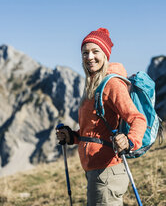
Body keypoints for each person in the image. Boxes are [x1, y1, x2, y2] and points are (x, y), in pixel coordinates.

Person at [56, 28, 146, 206]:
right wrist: (72, 136)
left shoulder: (111, 83)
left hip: (107, 172)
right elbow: (93, 131)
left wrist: (129, 140)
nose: (89, 57)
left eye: (95, 51)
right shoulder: (92, 85)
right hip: (96, 172)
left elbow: (138, 119)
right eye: (85, 53)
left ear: (105, 54)